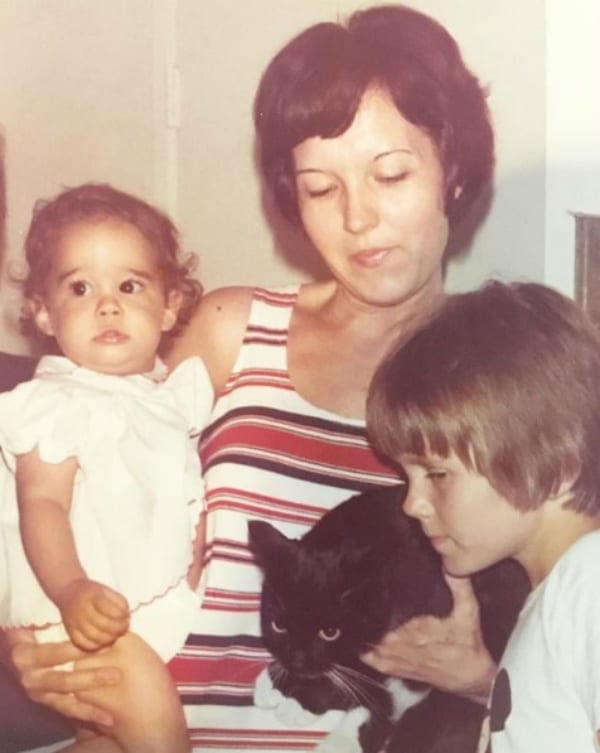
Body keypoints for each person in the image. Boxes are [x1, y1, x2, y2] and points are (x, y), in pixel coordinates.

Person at [6, 5, 497, 751]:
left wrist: (483, 679)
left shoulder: (503, 372)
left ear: (453, 170)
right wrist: (38, 637)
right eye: (320, 188)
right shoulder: (232, 330)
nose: (358, 216)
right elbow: (70, 471)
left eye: (390, 173)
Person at [0, 182, 211, 752]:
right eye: (80, 287)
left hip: (131, 609)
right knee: (152, 719)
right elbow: (41, 503)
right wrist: (70, 589)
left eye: (130, 285)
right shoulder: (57, 404)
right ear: (43, 312)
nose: (108, 304)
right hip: (71, 610)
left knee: (108, 743)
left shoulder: (164, 398)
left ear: (171, 305)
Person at [367, 280, 600, 752]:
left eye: (437, 474)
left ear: (555, 465)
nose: (413, 504)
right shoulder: (554, 599)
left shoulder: (588, 585)